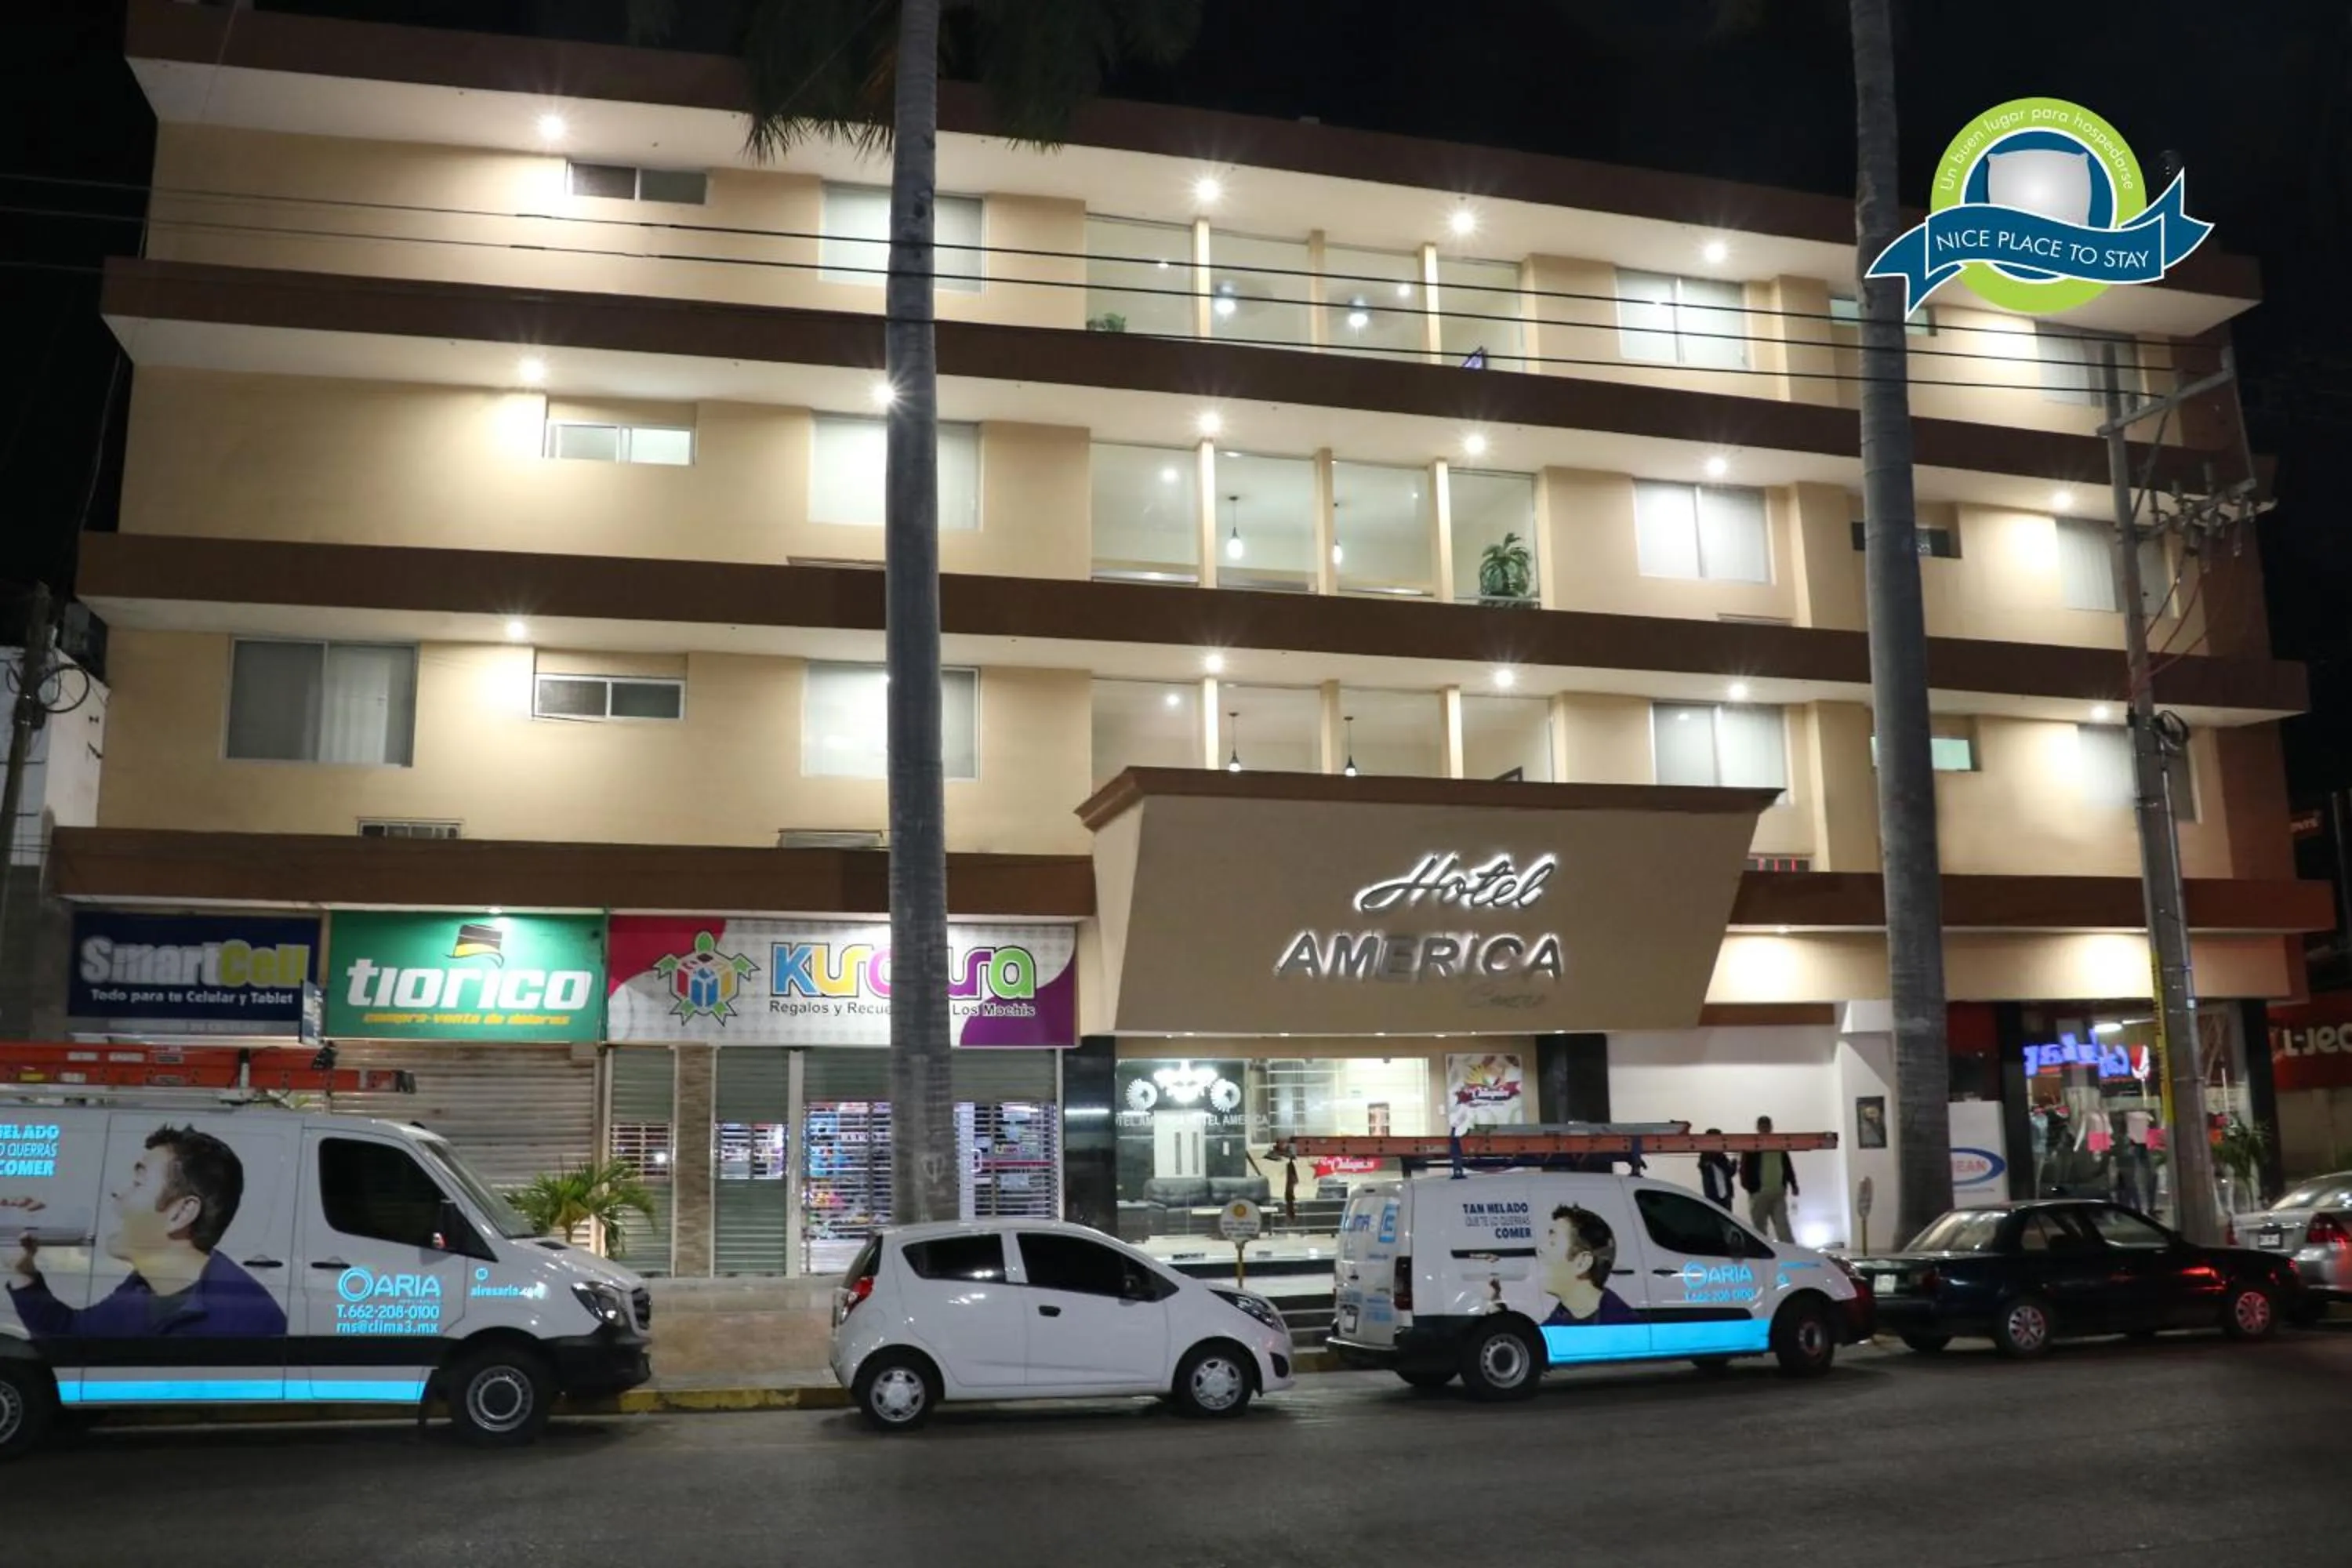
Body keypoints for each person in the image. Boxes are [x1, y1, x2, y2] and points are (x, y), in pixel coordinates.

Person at [7, 1124, 288, 1338]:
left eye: (139, 1183)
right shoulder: (142, 1290)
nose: (118, 1191)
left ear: (181, 1213)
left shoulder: (251, 1318)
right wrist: (23, 1271)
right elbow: (73, 1339)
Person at [1534, 1204, 1639, 1326]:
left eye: (1552, 1243)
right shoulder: (1554, 1324)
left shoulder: (1624, 1325)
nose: (1540, 1249)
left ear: (1583, 1263)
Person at [1740, 1115, 1800, 1243]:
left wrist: (1793, 1184)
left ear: (1771, 1127)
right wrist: (1750, 1188)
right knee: (1759, 1228)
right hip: (1759, 1192)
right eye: (1763, 1126)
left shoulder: (1778, 1145)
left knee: (1783, 1227)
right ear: (1758, 1128)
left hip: (1777, 1192)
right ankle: (1763, 1254)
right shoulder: (1752, 1146)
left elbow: (1787, 1166)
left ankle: (1790, 1253)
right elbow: (1744, 1169)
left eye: (1767, 1126)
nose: (1765, 1129)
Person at [1698, 1130, 1737, 1210]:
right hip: (1713, 1195)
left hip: (1724, 1195)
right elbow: (1729, 1171)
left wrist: (1734, 1163)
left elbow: (1730, 1172)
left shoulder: (1720, 1156)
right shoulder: (1706, 1156)